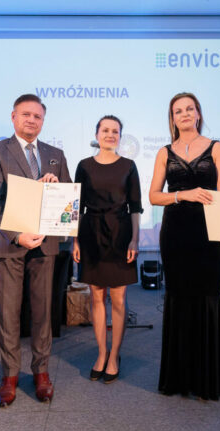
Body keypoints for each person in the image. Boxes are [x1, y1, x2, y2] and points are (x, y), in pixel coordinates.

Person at [148, 92, 220, 400]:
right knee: (178, 299)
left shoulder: (217, 148)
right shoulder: (164, 153)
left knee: (206, 298)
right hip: (175, 232)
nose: (185, 114)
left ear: (198, 114)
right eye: (178, 111)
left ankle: (206, 381)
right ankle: (177, 380)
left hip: (208, 231)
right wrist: (183, 195)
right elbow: (154, 196)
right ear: (173, 118)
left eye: (190, 109)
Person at [0, 94, 71, 407]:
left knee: (43, 312)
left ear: (43, 121)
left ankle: (41, 371)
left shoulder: (55, 154)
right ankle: (10, 375)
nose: (32, 120)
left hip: (44, 243)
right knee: (9, 314)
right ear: (13, 117)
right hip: (9, 243)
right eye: (26, 114)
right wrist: (17, 235)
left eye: (37, 116)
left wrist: (55, 186)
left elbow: (67, 199)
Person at [72, 115, 142, 384]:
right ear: (97, 134)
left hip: (121, 234)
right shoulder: (84, 165)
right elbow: (76, 206)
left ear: (120, 136)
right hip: (91, 233)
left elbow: (135, 207)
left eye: (115, 131)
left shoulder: (129, 166)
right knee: (97, 296)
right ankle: (102, 353)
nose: (110, 134)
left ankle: (115, 355)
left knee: (119, 298)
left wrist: (135, 240)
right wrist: (75, 240)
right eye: (105, 130)